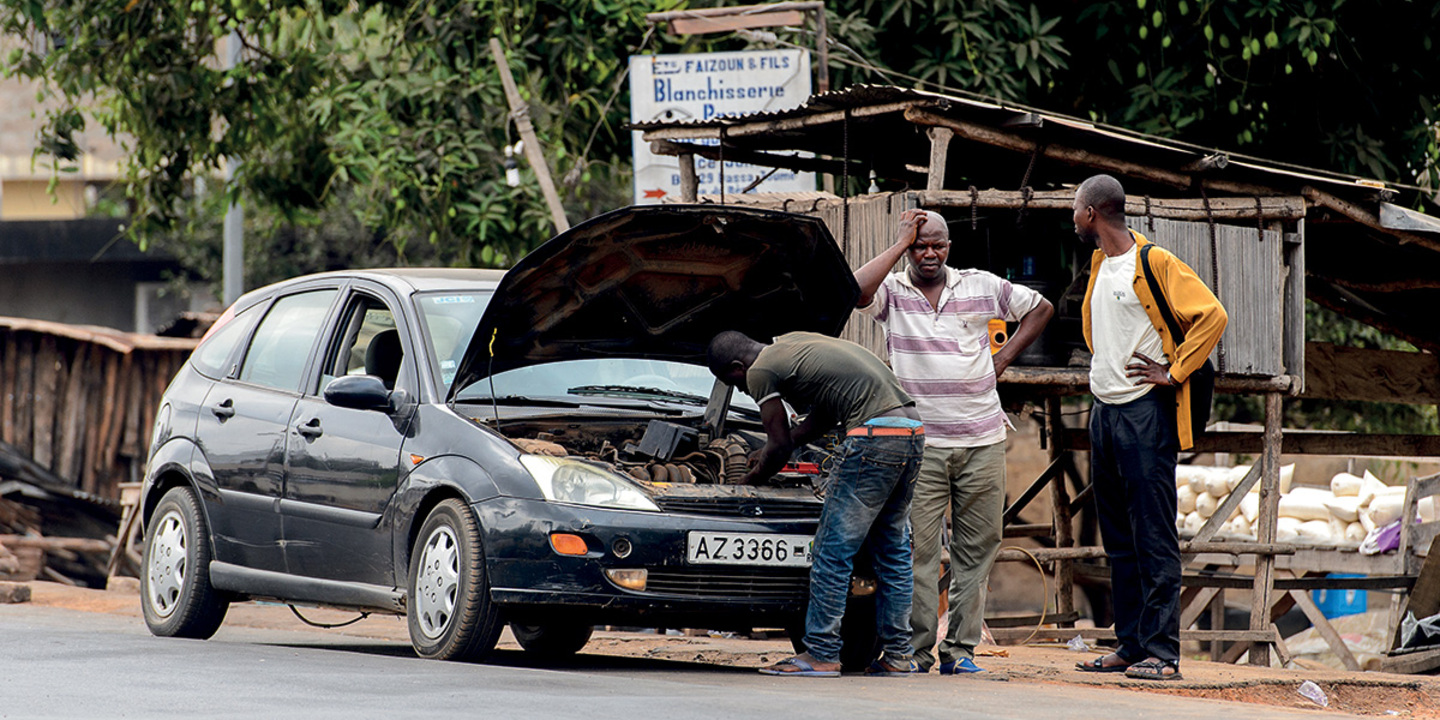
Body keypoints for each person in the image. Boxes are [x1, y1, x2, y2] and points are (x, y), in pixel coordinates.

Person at [854, 209, 1054, 674]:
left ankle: (960, 652)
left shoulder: (980, 285)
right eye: (920, 245)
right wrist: (899, 243)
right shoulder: (893, 291)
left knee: (978, 547)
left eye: (937, 245)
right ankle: (916, 653)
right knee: (919, 552)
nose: (929, 253)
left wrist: (1001, 359)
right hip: (921, 444)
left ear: (950, 247)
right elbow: (857, 291)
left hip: (982, 438)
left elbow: (1039, 307)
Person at [1071, 174, 1227, 682]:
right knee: (1118, 536)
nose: (1073, 215)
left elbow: (1212, 315)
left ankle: (1164, 652)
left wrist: (1174, 370)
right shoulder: (1099, 263)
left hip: (1145, 413)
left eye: (1076, 207)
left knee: (1154, 534)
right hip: (1105, 411)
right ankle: (1131, 644)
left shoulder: (1152, 261)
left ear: (1092, 212)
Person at [707, 330, 925, 677]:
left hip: (872, 438)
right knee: (892, 551)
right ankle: (898, 657)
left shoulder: (761, 369)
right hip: (911, 431)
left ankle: (822, 653)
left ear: (737, 367)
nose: (745, 390)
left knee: (831, 551)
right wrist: (769, 451)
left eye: (736, 384)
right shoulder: (794, 343)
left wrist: (749, 482)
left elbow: (778, 445)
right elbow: (823, 417)